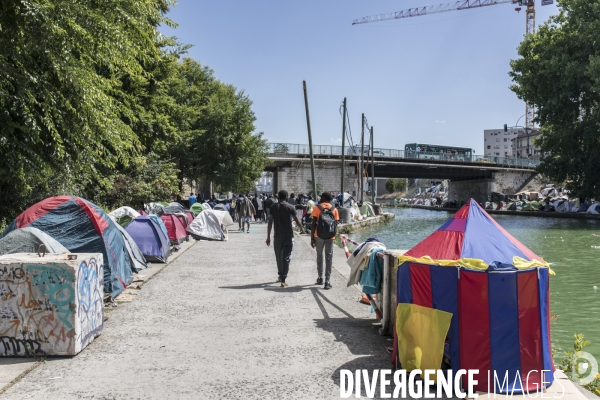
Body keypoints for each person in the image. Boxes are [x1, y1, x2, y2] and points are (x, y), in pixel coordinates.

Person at [266, 190, 304, 287]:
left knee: (278, 257)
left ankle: (280, 275)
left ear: (278, 197)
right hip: (288, 236)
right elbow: (296, 220)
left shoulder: (273, 207)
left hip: (277, 236)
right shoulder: (290, 207)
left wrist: (268, 237)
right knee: (286, 257)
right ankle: (283, 279)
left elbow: (270, 222)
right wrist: (301, 228)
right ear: (286, 197)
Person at [310, 192, 339, 290]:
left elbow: (313, 224)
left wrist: (312, 238)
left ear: (323, 198)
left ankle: (320, 277)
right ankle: (327, 281)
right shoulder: (334, 209)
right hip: (330, 237)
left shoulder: (317, 208)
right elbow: (336, 224)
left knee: (319, 256)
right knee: (329, 257)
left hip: (318, 236)